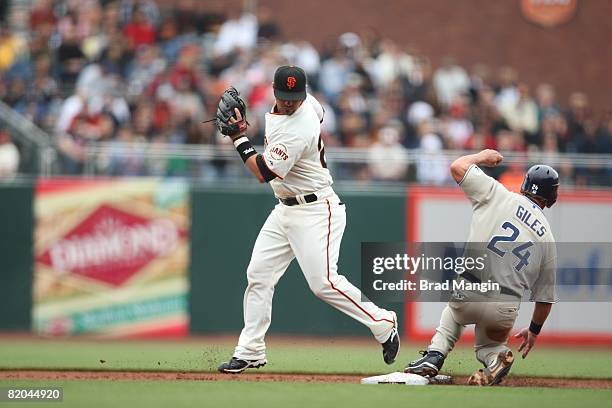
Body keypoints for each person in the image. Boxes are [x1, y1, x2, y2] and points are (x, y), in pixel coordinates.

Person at [217, 65, 399, 373]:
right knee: (258, 274)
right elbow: (322, 110)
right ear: (275, 92)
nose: (290, 102)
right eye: (285, 96)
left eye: (295, 97)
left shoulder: (299, 127)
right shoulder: (310, 103)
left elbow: (262, 172)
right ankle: (250, 350)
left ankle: (383, 322)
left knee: (324, 283)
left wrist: (238, 137)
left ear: (302, 94)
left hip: (316, 210)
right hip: (285, 208)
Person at [404, 149, 558, 386]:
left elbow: (457, 167)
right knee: (488, 345)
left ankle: (435, 355)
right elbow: (545, 300)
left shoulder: (500, 195)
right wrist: (534, 330)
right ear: (552, 197)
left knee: (454, 314)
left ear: (525, 184)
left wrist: (482, 157)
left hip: (470, 291)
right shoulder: (548, 239)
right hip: (506, 308)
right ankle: (496, 357)